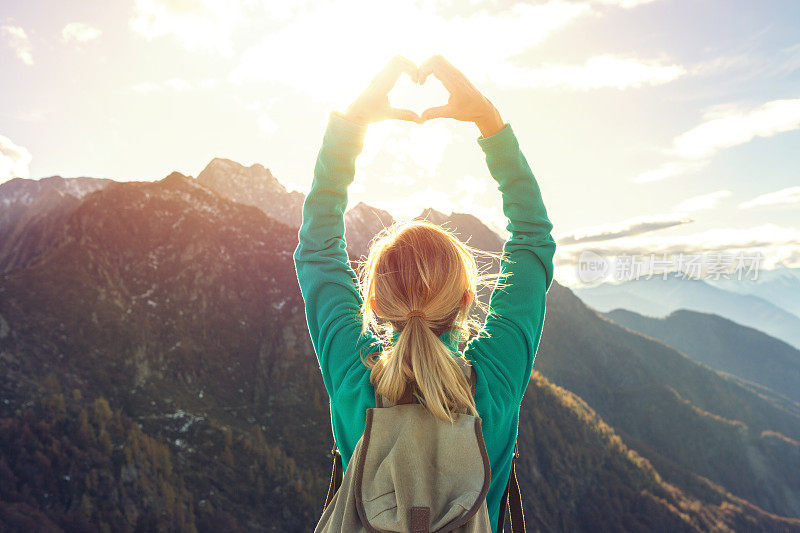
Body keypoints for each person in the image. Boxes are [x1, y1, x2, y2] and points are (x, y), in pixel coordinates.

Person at [293, 54, 556, 532]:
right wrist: (488, 122)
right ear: (464, 301)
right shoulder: (493, 387)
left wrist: (350, 126)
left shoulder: (357, 385)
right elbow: (533, 240)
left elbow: (316, 250)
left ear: (374, 303)